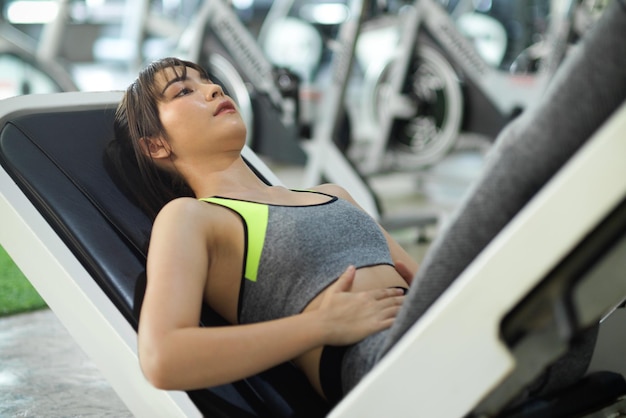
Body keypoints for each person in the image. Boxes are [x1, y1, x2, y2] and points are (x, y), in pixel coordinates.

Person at [106, 56, 420, 404]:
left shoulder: (333, 194)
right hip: (381, 362)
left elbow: (423, 279)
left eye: (208, 81)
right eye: (183, 91)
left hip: (432, 326)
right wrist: (324, 325)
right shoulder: (192, 217)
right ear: (156, 145)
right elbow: (163, 357)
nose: (213, 89)